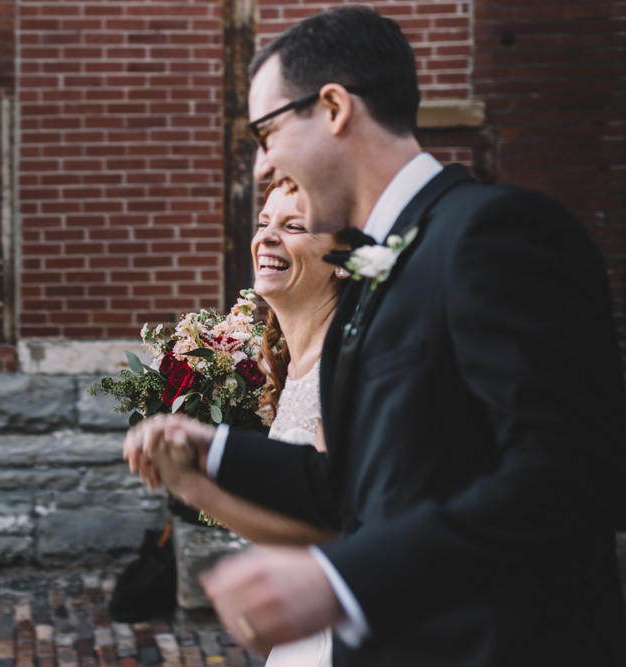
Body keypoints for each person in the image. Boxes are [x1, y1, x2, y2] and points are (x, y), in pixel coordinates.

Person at [125, 6, 626, 666]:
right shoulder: (366, 274)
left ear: (333, 107)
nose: (260, 164)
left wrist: (343, 579)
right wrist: (215, 448)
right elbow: (362, 490)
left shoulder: (495, 233)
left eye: (267, 133)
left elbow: (570, 473)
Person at [145, 181, 349, 665]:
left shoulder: (342, 369)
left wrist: (194, 485)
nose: (267, 238)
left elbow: (340, 534)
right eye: (263, 223)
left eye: (293, 226)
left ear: (344, 261)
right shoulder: (290, 365)